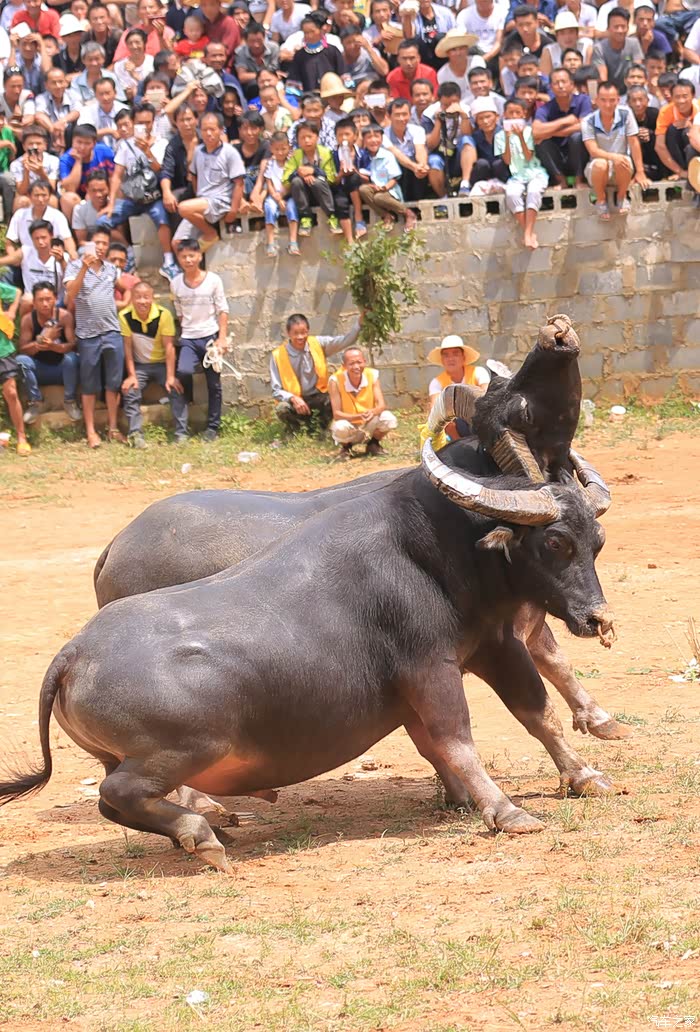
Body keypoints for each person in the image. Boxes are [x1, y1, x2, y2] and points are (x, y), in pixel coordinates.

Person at [63, 226, 132, 448]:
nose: (101, 247)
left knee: (113, 384)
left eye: (104, 243)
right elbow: (71, 295)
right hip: (88, 335)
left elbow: (125, 288)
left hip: (112, 332)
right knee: (89, 385)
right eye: (97, 243)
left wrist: (123, 302)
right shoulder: (74, 267)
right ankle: (91, 431)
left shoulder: (111, 269)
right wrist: (84, 267)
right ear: (87, 245)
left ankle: (113, 428)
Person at [102, 101, 177, 281]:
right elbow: (117, 175)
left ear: (153, 122)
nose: (144, 126)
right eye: (140, 123)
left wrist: (147, 152)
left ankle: (169, 262)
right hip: (132, 199)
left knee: (162, 220)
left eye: (147, 122)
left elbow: (162, 171)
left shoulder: (162, 143)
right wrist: (111, 203)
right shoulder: (125, 145)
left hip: (154, 197)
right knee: (103, 222)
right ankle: (128, 254)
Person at [169, 238, 229, 443]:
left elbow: (222, 310)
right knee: (183, 371)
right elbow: (179, 313)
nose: (188, 260)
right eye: (183, 256)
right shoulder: (175, 283)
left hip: (210, 337)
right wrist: (188, 329)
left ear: (199, 256)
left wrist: (221, 339)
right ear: (178, 258)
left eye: (192, 255)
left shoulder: (213, 280)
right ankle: (184, 418)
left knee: (214, 384)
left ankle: (212, 427)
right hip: (188, 338)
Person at [269, 312, 361, 432]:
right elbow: (276, 390)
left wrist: (360, 323)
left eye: (303, 332)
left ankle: (321, 429)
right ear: (288, 333)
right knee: (282, 408)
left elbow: (345, 341)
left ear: (308, 331)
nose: (300, 337)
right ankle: (295, 430)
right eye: (295, 333)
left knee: (334, 398)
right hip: (295, 401)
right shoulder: (277, 355)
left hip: (317, 397)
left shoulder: (318, 344)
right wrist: (293, 398)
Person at [119, 280, 177, 449]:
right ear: (132, 299)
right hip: (140, 366)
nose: (142, 301)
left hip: (161, 364)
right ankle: (136, 434)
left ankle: (181, 433)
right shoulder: (125, 316)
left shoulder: (163, 314)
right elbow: (127, 348)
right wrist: (131, 375)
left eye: (146, 297)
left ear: (152, 298)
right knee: (130, 391)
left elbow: (169, 347)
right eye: (138, 297)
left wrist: (171, 376)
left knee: (176, 388)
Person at [177, 111, 245, 249]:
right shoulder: (198, 151)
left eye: (212, 129)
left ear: (220, 130)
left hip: (220, 201)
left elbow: (239, 183)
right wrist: (198, 196)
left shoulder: (230, 152)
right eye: (204, 130)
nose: (208, 133)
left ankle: (210, 233)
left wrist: (233, 210)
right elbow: (194, 175)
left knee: (183, 208)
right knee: (177, 243)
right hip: (203, 202)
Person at [581, 80, 647, 218]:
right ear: (596, 100)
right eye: (603, 100)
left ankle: (621, 197)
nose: (608, 105)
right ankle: (601, 200)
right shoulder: (588, 121)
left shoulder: (626, 114)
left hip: (621, 167)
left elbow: (634, 142)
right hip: (598, 169)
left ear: (618, 100)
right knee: (601, 164)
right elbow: (593, 150)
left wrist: (640, 171)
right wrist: (613, 157)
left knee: (623, 161)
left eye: (612, 100)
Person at [17, 281, 79, 424]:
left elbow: (73, 346)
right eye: (40, 300)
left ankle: (69, 401)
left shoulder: (65, 316)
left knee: (71, 359)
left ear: (55, 299)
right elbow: (22, 349)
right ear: (34, 302)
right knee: (21, 361)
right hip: (40, 369)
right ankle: (36, 402)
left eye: (48, 299)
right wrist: (41, 341)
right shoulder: (28, 320)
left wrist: (53, 346)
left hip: (62, 370)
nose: (45, 304)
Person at [495, 96, 550, 249]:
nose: (514, 116)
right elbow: (507, 161)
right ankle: (529, 232)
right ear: (504, 114)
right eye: (510, 113)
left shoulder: (530, 131)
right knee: (512, 194)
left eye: (517, 113)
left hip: (535, 172)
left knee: (534, 191)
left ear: (524, 114)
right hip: (516, 175)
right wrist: (507, 139)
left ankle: (527, 234)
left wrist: (520, 137)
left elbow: (528, 156)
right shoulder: (499, 136)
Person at [328, 346, 397, 458]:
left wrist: (373, 412)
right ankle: (346, 447)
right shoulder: (335, 380)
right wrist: (358, 416)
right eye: (351, 363)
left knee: (389, 418)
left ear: (365, 362)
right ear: (344, 366)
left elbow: (381, 405)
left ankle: (373, 444)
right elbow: (337, 414)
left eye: (359, 362)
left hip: (368, 422)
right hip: (349, 425)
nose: (356, 367)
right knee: (339, 427)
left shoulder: (372, 375)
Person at [533, 66, 591, 187]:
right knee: (541, 141)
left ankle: (579, 180)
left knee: (576, 137)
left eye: (563, 82)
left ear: (572, 84)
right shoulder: (546, 108)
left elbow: (584, 126)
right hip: (557, 156)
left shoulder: (583, 100)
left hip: (578, 155)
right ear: (550, 87)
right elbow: (535, 132)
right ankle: (560, 180)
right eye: (556, 83)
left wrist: (551, 132)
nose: (560, 86)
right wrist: (565, 121)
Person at [282, 120, 342, 237]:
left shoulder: (325, 153)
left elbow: (331, 178)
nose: (307, 140)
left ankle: (332, 217)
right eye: (302, 138)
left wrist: (314, 171)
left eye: (310, 137)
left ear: (317, 137)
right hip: (303, 195)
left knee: (317, 182)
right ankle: (305, 219)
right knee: (296, 181)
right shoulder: (295, 155)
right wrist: (299, 173)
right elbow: (286, 181)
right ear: (298, 140)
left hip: (323, 193)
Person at [427, 334, 488, 439]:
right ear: (442, 360)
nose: (450, 359)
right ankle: (459, 443)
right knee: (444, 419)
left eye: (455, 354)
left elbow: (486, 396)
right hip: (454, 428)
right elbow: (434, 409)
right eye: (446, 355)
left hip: (480, 419)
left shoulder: (478, 372)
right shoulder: (437, 383)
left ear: (463, 357)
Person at [357, 121, 417, 229]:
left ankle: (407, 213)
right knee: (363, 189)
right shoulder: (363, 156)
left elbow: (394, 178)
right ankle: (386, 215)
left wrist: (384, 187)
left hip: (389, 190)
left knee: (379, 197)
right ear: (364, 140)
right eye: (369, 137)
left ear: (382, 138)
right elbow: (365, 176)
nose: (373, 140)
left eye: (376, 136)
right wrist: (370, 185)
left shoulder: (387, 155)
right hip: (374, 188)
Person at [58, 123, 114, 221]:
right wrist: (78, 162)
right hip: (79, 199)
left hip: (103, 194)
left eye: (87, 143)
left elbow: (114, 178)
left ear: (94, 143)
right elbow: (70, 189)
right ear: (72, 141)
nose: (82, 147)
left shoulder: (104, 151)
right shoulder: (66, 160)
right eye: (79, 142)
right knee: (67, 199)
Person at [0, 278, 31, 455]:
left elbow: (17, 292)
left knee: (11, 392)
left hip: (3, 348)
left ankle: (22, 438)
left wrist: (11, 312)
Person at [286, 13, 345, 93]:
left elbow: (342, 73)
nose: (309, 35)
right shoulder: (300, 55)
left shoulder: (332, 51)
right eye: (306, 32)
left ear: (321, 30)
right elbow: (294, 79)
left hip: (333, 94)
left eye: (312, 31)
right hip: (309, 96)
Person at [263, 130, 300, 256]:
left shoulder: (292, 162)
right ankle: (270, 242)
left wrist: (282, 196)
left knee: (292, 207)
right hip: (274, 195)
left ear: (289, 147)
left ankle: (293, 242)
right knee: (269, 207)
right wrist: (277, 198)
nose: (280, 152)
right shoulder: (270, 163)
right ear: (271, 148)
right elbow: (268, 182)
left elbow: (292, 181)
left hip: (289, 194)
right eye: (276, 149)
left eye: (283, 149)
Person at [654, 80, 700, 182]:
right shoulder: (666, 111)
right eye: (677, 97)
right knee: (672, 130)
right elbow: (659, 146)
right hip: (678, 153)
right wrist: (679, 171)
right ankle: (682, 172)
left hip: (695, 149)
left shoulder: (698, 108)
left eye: (685, 96)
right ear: (671, 97)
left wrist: (691, 126)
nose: (681, 101)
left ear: (693, 95)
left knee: (688, 137)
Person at [591, 8, 643, 93]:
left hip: (630, 90)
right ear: (608, 28)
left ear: (628, 28)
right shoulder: (599, 48)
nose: (620, 30)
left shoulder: (634, 43)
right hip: (609, 91)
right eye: (616, 27)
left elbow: (637, 71)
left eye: (623, 27)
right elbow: (603, 78)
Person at [625, 84, 671, 180]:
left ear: (647, 100)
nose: (638, 104)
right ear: (628, 103)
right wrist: (635, 136)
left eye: (641, 100)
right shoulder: (625, 117)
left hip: (654, 153)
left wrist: (650, 133)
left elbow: (664, 134)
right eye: (634, 100)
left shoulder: (654, 114)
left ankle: (665, 174)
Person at [10, 125, 59, 210]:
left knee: (52, 200)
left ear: (45, 146)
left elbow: (52, 189)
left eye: (38, 143)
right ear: (24, 146)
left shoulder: (53, 161)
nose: (34, 147)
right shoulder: (16, 164)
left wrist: (41, 173)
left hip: (45, 194)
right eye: (30, 144)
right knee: (21, 201)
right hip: (27, 195)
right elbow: (21, 191)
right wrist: (26, 171)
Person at [77, 77, 127, 150]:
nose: (105, 98)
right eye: (101, 94)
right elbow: (83, 134)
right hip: (96, 151)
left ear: (115, 93)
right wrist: (108, 131)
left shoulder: (125, 110)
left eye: (107, 93)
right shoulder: (87, 111)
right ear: (95, 95)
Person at [235, 21, 280, 99]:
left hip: (273, 83)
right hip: (252, 87)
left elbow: (276, 71)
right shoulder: (240, 52)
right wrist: (262, 76)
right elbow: (242, 76)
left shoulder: (274, 48)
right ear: (245, 40)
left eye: (259, 40)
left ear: (264, 37)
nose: (256, 45)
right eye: (252, 41)